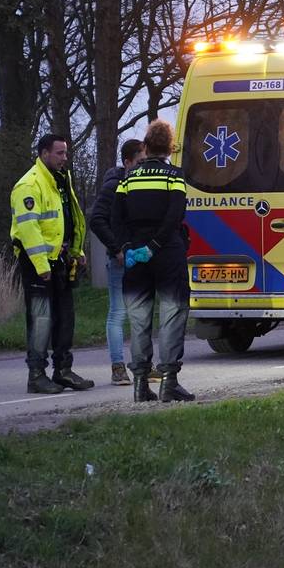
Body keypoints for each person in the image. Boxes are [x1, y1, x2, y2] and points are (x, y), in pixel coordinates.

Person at [111, 120, 194, 403]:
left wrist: (127, 248)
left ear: (145, 145)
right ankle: (168, 382)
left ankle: (139, 385)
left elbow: (116, 217)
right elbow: (175, 215)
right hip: (167, 252)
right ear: (170, 148)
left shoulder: (127, 178)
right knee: (172, 315)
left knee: (139, 320)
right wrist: (156, 245)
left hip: (135, 257)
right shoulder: (174, 175)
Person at [9, 134, 94, 394]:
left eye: (65, 153)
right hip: (38, 263)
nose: (64, 158)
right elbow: (28, 229)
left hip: (61, 259)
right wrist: (41, 265)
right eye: (59, 153)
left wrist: (77, 250)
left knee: (65, 317)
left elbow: (68, 218)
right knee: (41, 319)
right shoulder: (29, 184)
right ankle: (36, 374)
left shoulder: (60, 181)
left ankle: (63, 371)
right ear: (44, 153)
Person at [89, 138, 146, 386]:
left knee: (141, 314)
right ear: (127, 162)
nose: (145, 166)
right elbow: (97, 220)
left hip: (141, 258)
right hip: (121, 260)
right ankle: (117, 367)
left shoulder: (141, 183)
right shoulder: (113, 185)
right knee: (118, 313)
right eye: (140, 162)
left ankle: (143, 365)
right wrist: (118, 248)